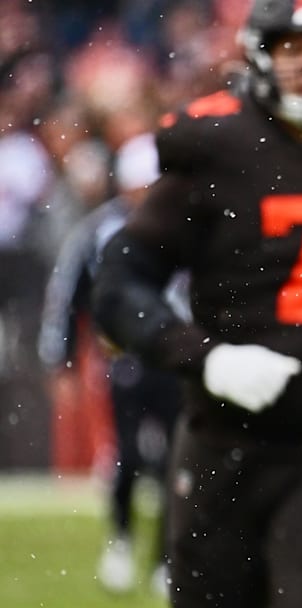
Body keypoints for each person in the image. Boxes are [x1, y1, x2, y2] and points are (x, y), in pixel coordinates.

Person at [90, 1, 302, 606]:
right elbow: (118, 281)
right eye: (297, 47)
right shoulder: (219, 146)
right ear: (260, 54)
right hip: (225, 442)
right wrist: (207, 358)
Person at [39, 133, 184, 596]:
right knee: (129, 456)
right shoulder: (100, 231)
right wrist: (58, 357)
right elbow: (68, 296)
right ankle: (121, 541)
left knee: (175, 461)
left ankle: (165, 555)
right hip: (126, 359)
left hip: (178, 359)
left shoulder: (185, 227)